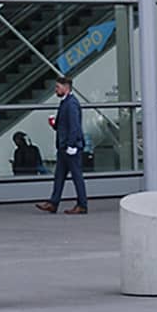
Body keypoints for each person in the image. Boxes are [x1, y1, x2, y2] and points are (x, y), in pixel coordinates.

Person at [47, 76, 93, 214]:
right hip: (64, 147)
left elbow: (74, 126)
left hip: (70, 147)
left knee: (76, 176)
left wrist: (72, 145)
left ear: (66, 87)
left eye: (58, 87)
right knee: (59, 176)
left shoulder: (71, 104)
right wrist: (54, 124)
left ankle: (82, 205)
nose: (56, 90)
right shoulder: (65, 102)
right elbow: (66, 125)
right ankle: (53, 203)